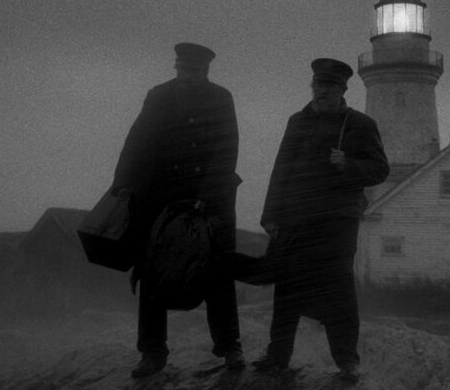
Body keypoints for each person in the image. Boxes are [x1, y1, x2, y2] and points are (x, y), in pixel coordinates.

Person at [111, 42, 244, 378]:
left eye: (193, 71)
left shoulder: (221, 98)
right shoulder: (158, 96)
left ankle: (230, 346)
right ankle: (152, 352)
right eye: (182, 69)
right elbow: (136, 139)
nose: (186, 76)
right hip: (160, 196)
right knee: (151, 272)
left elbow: (227, 148)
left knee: (217, 272)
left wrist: (207, 195)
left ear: (206, 71)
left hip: (209, 198)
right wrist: (123, 183)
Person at [252, 58, 389, 381]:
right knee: (287, 288)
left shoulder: (360, 124)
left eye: (329, 86)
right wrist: (270, 214)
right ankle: (277, 357)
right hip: (295, 218)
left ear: (342, 90)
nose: (321, 91)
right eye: (318, 85)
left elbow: (380, 169)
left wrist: (348, 164)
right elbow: (281, 169)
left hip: (337, 222)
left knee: (339, 289)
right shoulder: (297, 121)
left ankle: (347, 361)